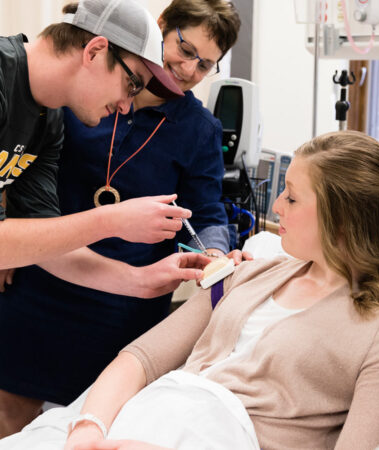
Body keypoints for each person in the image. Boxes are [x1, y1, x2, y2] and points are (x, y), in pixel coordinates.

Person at [0, 130, 379, 450]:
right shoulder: (251, 275)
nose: (275, 207)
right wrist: (89, 428)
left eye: (291, 198)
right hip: (127, 419)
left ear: (342, 219)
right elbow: (139, 360)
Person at [0, 0, 242, 438]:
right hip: (37, 291)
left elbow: (206, 211)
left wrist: (170, 270)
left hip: (113, 297)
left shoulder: (194, 129)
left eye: (206, 65)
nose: (190, 70)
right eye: (186, 51)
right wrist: (19, 243)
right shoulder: (38, 95)